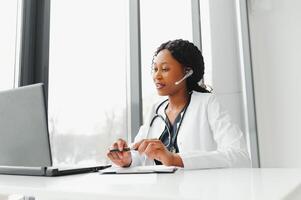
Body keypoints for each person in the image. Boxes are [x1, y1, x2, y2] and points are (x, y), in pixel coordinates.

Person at [107, 39, 251, 169]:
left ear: (187, 72)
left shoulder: (207, 103)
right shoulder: (156, 109)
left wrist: (175, 159)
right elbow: (140, 153)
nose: (157, 75)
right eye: (155, 69)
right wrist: (127, 158)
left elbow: (240, 156)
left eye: (164, 69)